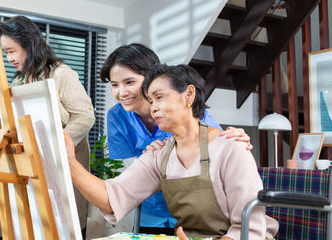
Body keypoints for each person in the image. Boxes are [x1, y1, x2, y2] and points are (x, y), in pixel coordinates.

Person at [65, 64, 278, 239]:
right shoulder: (159, 155)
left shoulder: (230, 147)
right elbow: (111, 198)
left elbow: (250, 229)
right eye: (150, 100)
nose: (153, 108)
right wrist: (70, 163)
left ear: (189, 94)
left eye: (160, 97)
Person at [0, 15, 95, 231]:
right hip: (34, 166)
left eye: (11, 51)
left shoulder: (61, 74)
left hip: (65, 164)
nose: (8, 58)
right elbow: (2, 126)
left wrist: (57, 144)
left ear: (29, 44)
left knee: (66, 228)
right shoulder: (19, 81)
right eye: (5, 52)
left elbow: (84, 116)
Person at [99, 43, 252, 231]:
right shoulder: (117, 116)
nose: (121, 92)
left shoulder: (187, 111)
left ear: (151, 77)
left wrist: (234, 138)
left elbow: (216, 150)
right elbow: (127, 173)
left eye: (130, 82)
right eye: (115, 85)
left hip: (197, 215)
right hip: (149, 213)